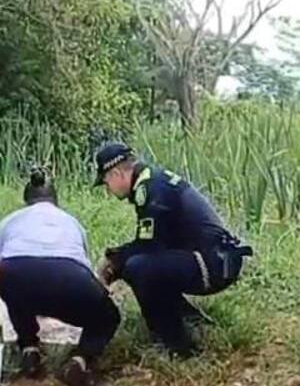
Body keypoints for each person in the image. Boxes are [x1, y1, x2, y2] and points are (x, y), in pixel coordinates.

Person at [93, 142, 252, 357]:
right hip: (215, 259)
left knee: (138, 267)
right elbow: (157, 241)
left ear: (116, 173)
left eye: (106, 183)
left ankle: (178, 346)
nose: (108, 190)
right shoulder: (152, 180)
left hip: (211, 264)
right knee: (138, 263)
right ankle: (191, 320)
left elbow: (149, 245)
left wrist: (113, 261)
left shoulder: (150, 188)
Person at [0, 168, 121, 386]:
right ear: (55, 200)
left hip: (17, 273)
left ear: (27, 200)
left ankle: (29, 349)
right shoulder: (71, 222)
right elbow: (86, 274)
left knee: (15, 290)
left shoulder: (9, 221)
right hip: (71, 276)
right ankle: (79, 362)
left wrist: (17, 302)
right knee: (108, 317)